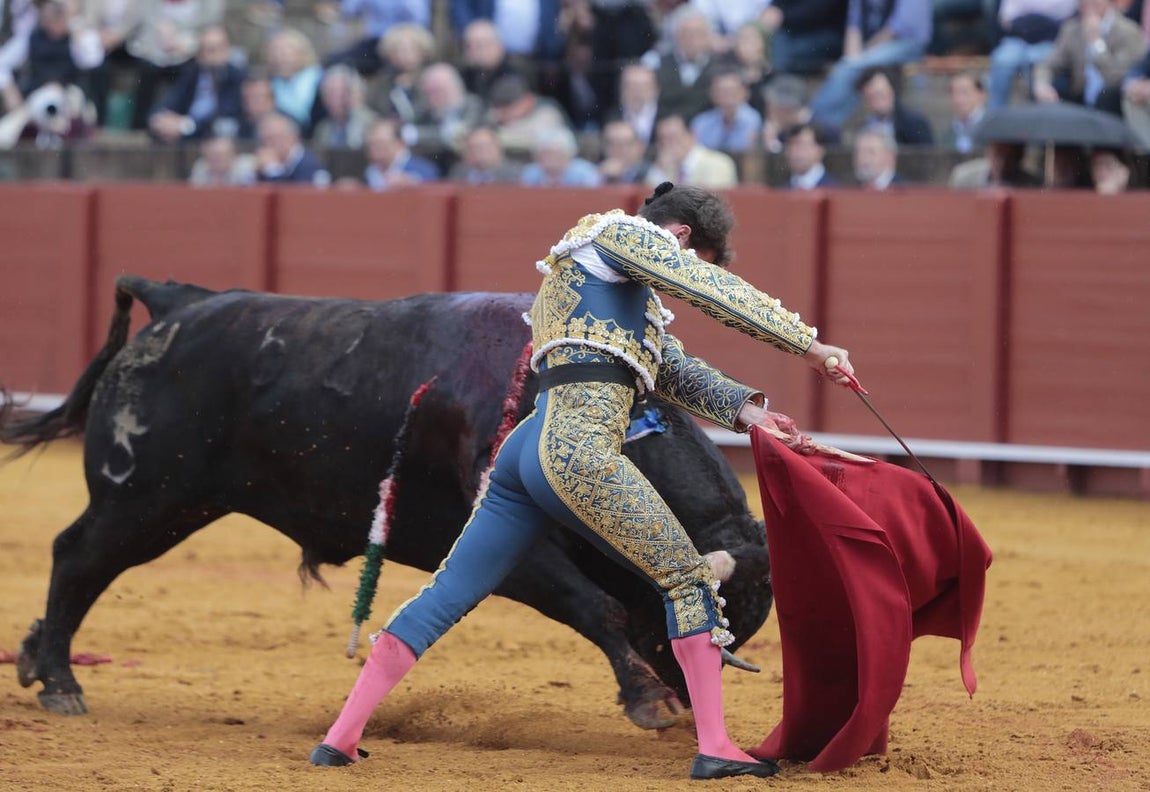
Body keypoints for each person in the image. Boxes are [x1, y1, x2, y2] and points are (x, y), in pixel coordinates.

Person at [308, 181, 857, 781]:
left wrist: (751, 414)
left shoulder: (605, 283)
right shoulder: (620, 233)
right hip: (578, 447)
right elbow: (710, 288)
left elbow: (670, 369)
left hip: (529, 449)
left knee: (450, 591)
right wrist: (811, 347)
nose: (678, 272)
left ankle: (340, 737)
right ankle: (717, 745)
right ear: (678, 237)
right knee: (687, 576)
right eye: (686, 259)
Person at [809, 0, 933, 133]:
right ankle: (824, 125)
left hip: (908, 45)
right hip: (870, 52)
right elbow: (854, 27)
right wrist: (851, 60)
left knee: (850, 68)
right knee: (850, 71)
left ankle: (812, 117)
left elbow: (897, 28)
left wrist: (857, 60)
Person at [1032, 0, 1146, 115]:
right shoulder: (1072, 29)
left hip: (1114, 103)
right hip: (1079, 97)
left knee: (1108, 96)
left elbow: (1117, 77)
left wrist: (1096, 43)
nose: (1089, 3)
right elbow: (1049, 63)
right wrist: (1042, 85)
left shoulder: (1129, 31)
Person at [147, 25, 245, 142]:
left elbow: (225, 116)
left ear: (227, 50)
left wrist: (186, 126)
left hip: (215, 140)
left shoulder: (237, 78)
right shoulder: (192, 74)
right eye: (204, 50)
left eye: (215, 49)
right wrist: (159, 119)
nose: (210, 56)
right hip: (182, 139)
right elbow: (169, 101)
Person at [985, 0, 1077, 110]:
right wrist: (1038, 21)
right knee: (1001, 60)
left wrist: (1032, 21)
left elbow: (1068, 19)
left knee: (1040, 63)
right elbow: (1006, 21)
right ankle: (995, 113)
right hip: (1018, 40)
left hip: (1051, 41)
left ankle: (1036, 114)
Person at [845, 66, 934, 145]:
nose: (877, 102)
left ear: (892, 91)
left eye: (881, 94)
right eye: (871, 97)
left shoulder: (914, 123)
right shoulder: (863, 128)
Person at [646, 112, 738, 187]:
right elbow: (648, 201)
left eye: (673, 137)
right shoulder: (664, 167)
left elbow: (706, 203)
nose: (668, 144)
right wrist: (660, 170)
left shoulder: (718, 163)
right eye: (662, 139)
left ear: (692, 135)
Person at [689, 68, 763, 153]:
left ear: (745, 92)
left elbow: (750, 151)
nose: (728, 97)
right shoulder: (701, 122)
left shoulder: (753, 119)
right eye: (722, 91)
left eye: (732, 91)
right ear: (713, 94)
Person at [254, 111, 331, 186]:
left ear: (294, 137)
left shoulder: (310, 165)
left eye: (277, 138)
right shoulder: (264, 164)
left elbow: (289, 196)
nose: (270, 144)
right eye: (266, 139)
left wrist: (273, 170)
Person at [361, 115, 439, 189]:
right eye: (370, 145)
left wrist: (412, 184)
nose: (375, 150)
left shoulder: (423, 170)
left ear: (399, 144)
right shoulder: (368, 173)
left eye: (381, 144)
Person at [520, 126, 602, 186]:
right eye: (546, 153)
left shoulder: (585, 173)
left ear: (569, 154)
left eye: (556, 153)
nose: (551, 159)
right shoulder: (530, 174)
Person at [447, 123, 522, 182]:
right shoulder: (459, 173)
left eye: (484, 146)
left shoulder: (514, 174)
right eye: (474, 147)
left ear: (497, 147)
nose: (480, 152)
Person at [941, 69, 987, 153]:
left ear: (981, 95)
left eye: (964, 92)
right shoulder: (948, 133)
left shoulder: (993, 128)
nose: (957, 99)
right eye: (952, 93)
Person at [782, 121, 838, 188]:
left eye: (802, 145)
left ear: (820, 150)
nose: (795, 152)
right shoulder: (782, 191)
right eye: (790, 146)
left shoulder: (835, 189)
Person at [852, 124, 903, 188]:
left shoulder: (905, 189)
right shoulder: (849, 189)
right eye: (859, 152)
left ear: (889, 157)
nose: (864, 158)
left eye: (871, 152)